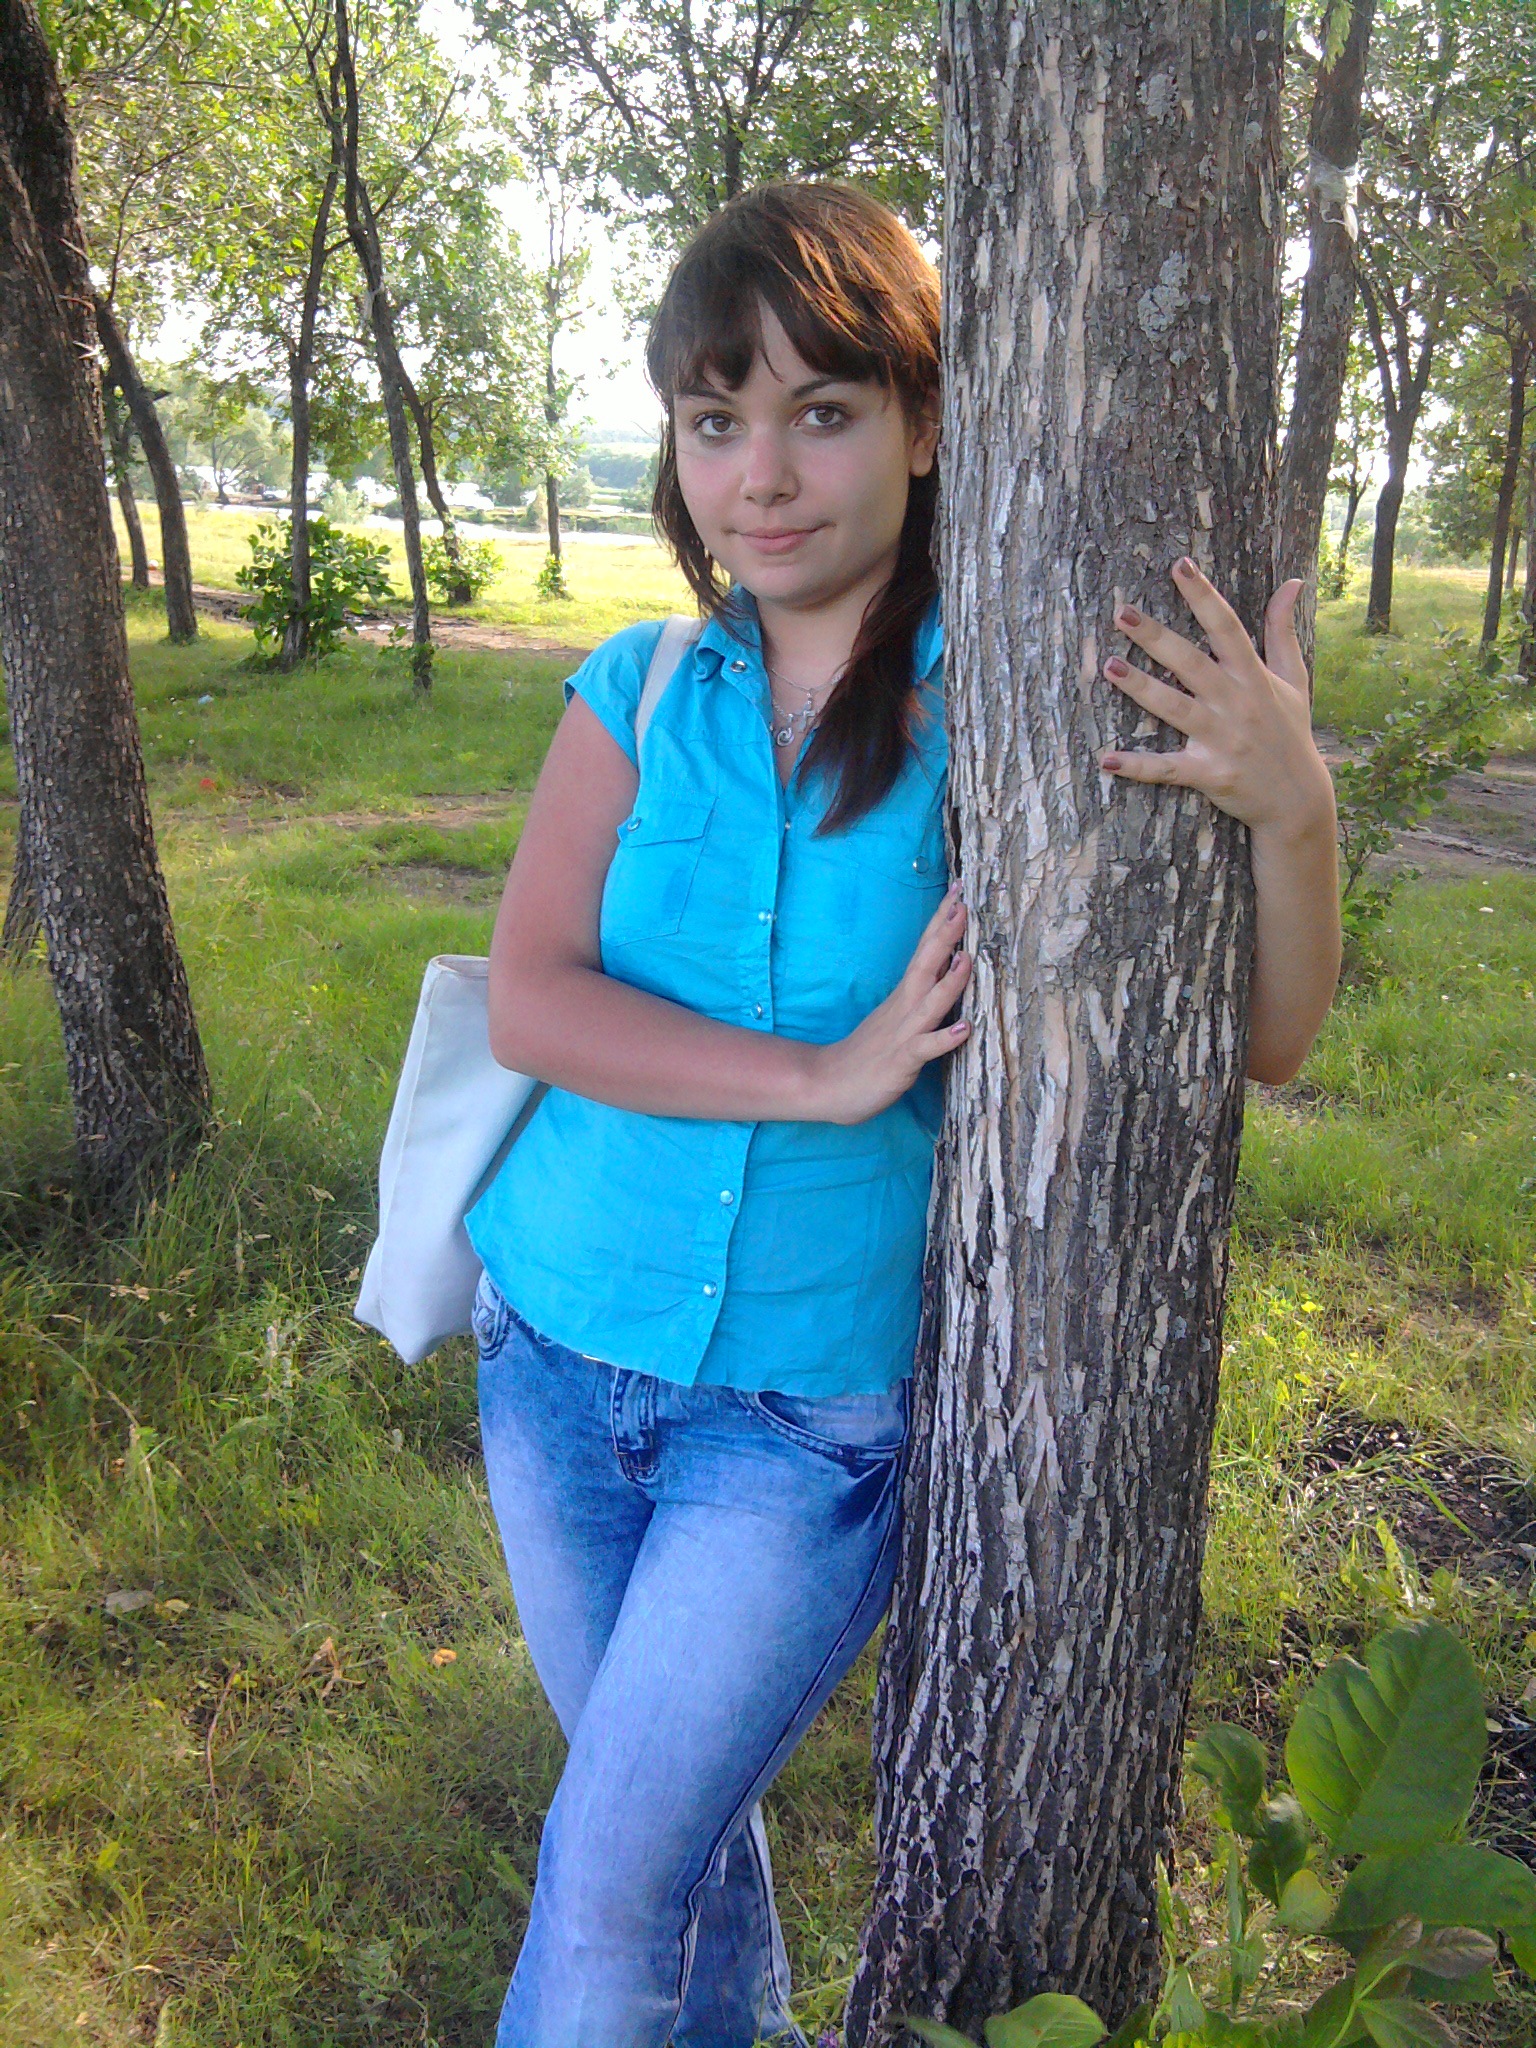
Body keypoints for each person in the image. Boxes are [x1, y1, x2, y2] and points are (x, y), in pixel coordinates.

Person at [464, 181, 1342, 2048]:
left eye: (824, 411)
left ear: (927, 424)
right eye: (717, 421)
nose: (762, 476)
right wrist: (825, 1071)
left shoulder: (1008, 704)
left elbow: (1258, 1042)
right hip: (549, 1349)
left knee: (605, 1888)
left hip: (800, 1422)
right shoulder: (637, 691)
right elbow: (533, 997)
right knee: (670, 1841)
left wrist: (1296, 812)